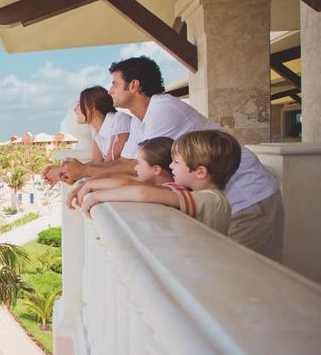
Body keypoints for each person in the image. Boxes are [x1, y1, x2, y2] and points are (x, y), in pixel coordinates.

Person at [43, 56, 284, 259]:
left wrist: (86, 175)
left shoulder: (163, 109)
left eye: (115, 83)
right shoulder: (141, 117)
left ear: (134, 85)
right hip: (225, 201)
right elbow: (125, 165)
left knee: (240, 280)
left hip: (249, 198)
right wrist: (84, 176)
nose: (110, 90)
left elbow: (139, 170)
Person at [79, 130, 241, 235]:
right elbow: (133, 184)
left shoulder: (211, 200)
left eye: (176, 162)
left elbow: (142, 192)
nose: (171, 166)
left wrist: (96, 197)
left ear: (200, 172)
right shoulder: (204, 195)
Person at [66, 136, 177, 210]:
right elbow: (115, 176)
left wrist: (92, 190)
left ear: (156, 170)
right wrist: (86, 184)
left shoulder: (174, 190)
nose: (135, 167)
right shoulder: (156, 184)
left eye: (139, 163)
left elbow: (126, 183)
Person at [74, 86, 131, 163]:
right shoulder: (96, 131)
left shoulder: (119, 119)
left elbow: (110, 162)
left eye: (79, 104)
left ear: (92, 107)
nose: (75, 110)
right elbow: (96, 162)